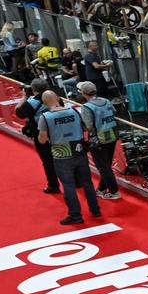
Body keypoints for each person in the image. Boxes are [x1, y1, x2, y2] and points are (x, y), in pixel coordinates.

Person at [37, 89, 103, 226]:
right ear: (57, 97)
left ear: (44, 102)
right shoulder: (74, 111)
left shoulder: (45, 117)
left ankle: (75, 215)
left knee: (68, 186)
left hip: (61, 154)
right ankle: (96, 210)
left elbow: (42, 140)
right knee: (87, 183)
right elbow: (86, 128)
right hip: (79, 151)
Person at [75, 81, 122, 200]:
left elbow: (89, 126)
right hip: (112, 135)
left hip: (98, 139)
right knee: (106, 164)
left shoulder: (87, 107)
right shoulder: (106, 101)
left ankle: (114, 191)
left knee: (103, 167)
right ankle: (101, 189)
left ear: (84, 93)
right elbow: (114, 113)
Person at [14, 79, 59, 196]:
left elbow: (18, 112)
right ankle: (76, 182)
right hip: (58, 131)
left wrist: (24, 96)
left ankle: (53, 185)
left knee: (47, 160)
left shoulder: (32, 102)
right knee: (66, 157)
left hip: (41, 134)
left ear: (33, 89)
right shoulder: (54, 97)